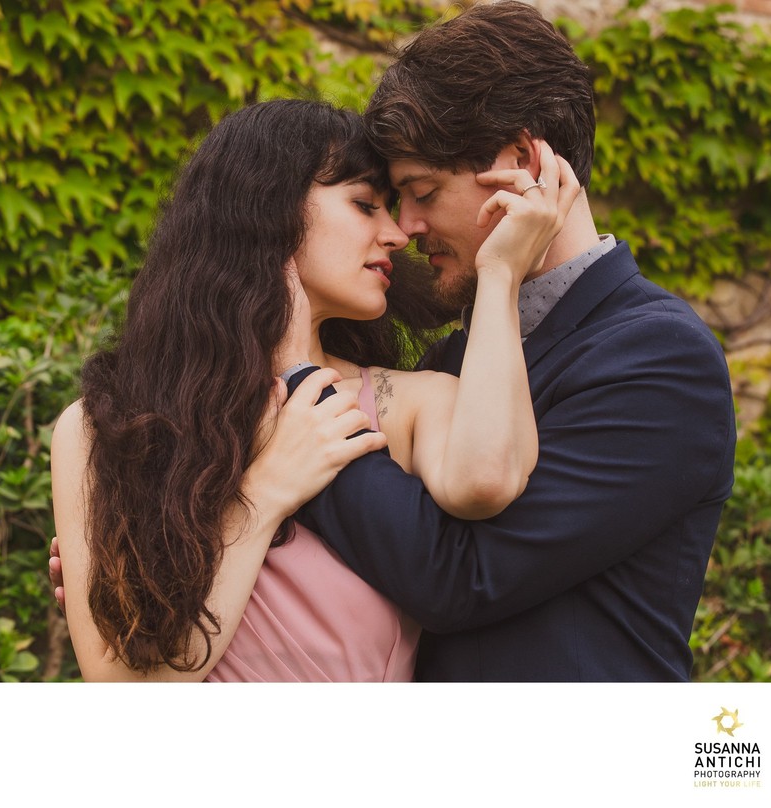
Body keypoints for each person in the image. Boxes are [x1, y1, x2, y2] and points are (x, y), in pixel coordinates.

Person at [276, 0, 736, 681]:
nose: (405, 228)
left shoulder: (659, 360)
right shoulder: (456, 359)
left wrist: (299, 401)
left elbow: (461, 578)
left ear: (521, 162)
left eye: (422, 191)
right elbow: (363, 559)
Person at [50, 98, 578, 681]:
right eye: (363, 204)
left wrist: (501, 272)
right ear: (265, 210)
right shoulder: (108, 426)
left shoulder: (406, 402)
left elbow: (487, 479)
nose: (398, 233)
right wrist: (265, 493)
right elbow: (122, 687)